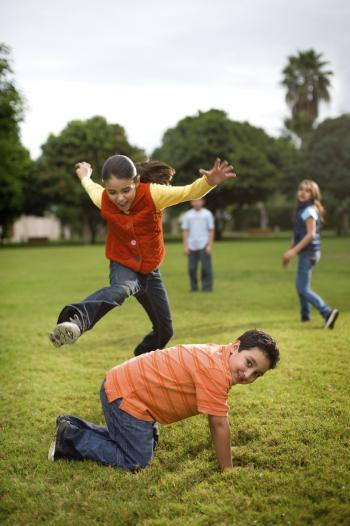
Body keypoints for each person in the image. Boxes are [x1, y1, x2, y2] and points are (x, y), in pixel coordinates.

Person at [49, 156, 236, 354]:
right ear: (106, 188)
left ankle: (137, 364)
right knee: (121, 289)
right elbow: (91, 187)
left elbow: (188, 192)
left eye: (126, 190)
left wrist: (210, 181)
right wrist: (85, 175)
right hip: (123, 264)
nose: (119, 198)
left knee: (165, 331)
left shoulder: (154, 194)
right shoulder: (103, 199)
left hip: (150, 271)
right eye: (112, 192)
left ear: (136, 181)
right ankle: (75, 321)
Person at [48, 328, 280, 471]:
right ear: (236, 347)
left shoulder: (219, 354)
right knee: (136, 461)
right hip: (126, 397)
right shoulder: (216, 371)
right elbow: (219, 424)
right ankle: (69, 439)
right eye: (249, 363)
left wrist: (224, 449)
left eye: (257, 373)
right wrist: (227, 468)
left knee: (145, 442)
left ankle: (73, 426)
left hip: (130, 388)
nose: (248, 375)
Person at [282, 179, 339, 328]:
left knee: (302, 288)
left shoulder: (309, 210)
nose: (302, 192)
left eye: (307, 190)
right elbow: (297, 235)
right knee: (301, 285)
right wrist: (290, 251)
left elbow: (311, 234)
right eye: (301, 189)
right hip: (308, 253)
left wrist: (293, 251)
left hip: (309, 253)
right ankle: (305, 316)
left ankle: (327, 312)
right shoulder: (302, 209)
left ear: (313, 195)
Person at [181, 198, 215, 292]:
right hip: (191, 245)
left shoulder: (207, 214)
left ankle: (207, 288)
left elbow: (211, 230)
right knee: (191, 269)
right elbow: (185, 231)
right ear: (191, 202)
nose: (197, 203)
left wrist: (209, 245)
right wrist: (185, 246)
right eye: (194, 201)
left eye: (199, 200)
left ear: (203, 202)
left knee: (206, 268)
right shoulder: (188, 215)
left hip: (204, 244)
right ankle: (194, 287)